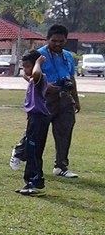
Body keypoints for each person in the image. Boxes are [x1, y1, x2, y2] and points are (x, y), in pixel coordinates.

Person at [38, 24, 80, 178]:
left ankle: (61, 166)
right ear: (47, 39)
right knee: (37, 132)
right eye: (54, 41)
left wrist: (76, 99)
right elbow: (29, 76)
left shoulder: (68, 56)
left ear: (65, 40)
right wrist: (45, 86)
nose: (57, 44)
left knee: (65, 133)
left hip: (65, 98)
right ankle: (21, 153)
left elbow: (71, 78)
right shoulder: (39, 55)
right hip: (46, 99)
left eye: (61, 41)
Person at [16, 49, 49, 197]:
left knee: (33, 151)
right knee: (31, 149)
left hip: (38, 118)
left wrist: (38, 63)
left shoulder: (39, 77)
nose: (26, 70)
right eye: (24, 66)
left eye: (28, 66)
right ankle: (33, 181)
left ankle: (33, 182)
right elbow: (28, 76)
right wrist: (26, 72)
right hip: (34, 118)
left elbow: (35, 74)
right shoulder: (33, 79)